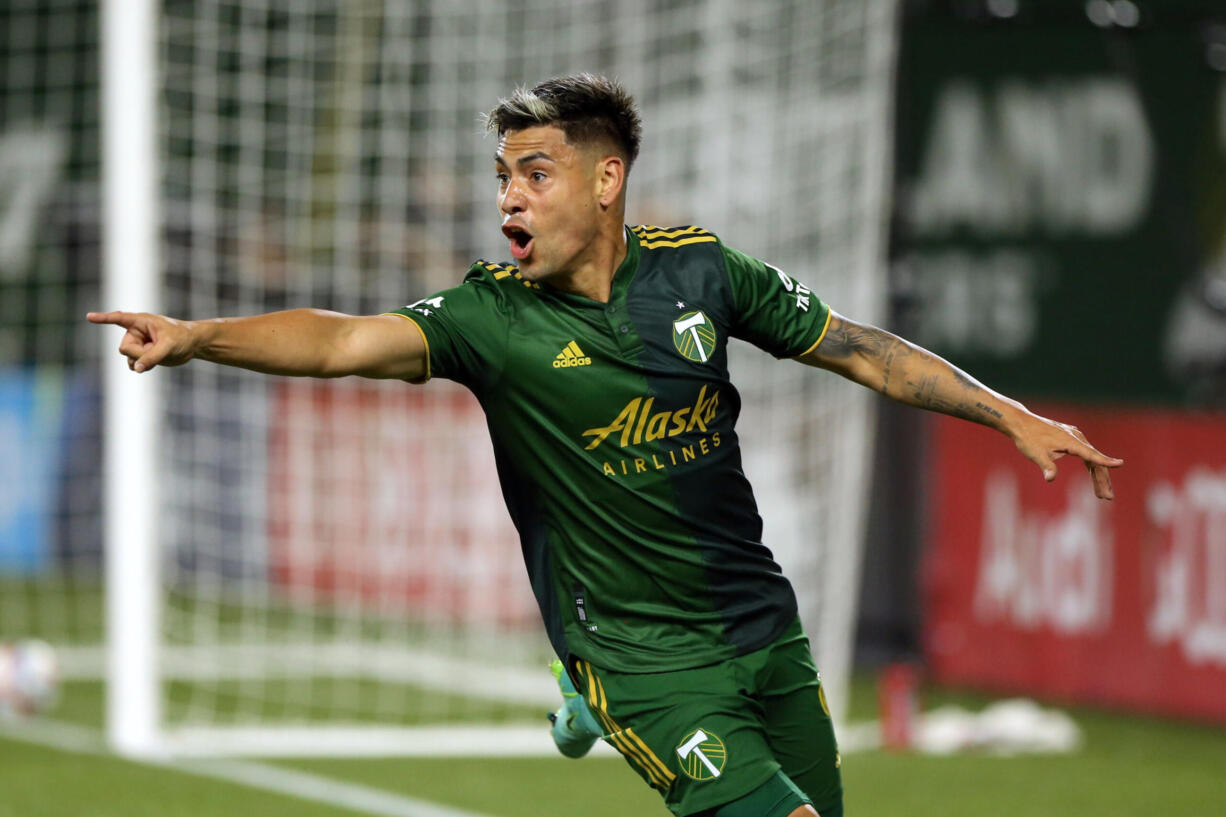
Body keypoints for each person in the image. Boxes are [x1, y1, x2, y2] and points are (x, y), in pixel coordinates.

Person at [89, 74, 1122, 817]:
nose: (507, 197)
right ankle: (588, 692)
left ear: (605, 180)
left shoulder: (703, 273)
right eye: (501, 176)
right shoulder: (488, 318)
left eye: (533, 173)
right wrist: (198, 339)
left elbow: (856, 348)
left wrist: (1010, 414)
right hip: (638, 661)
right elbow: (341, 339)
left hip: (763, 627)